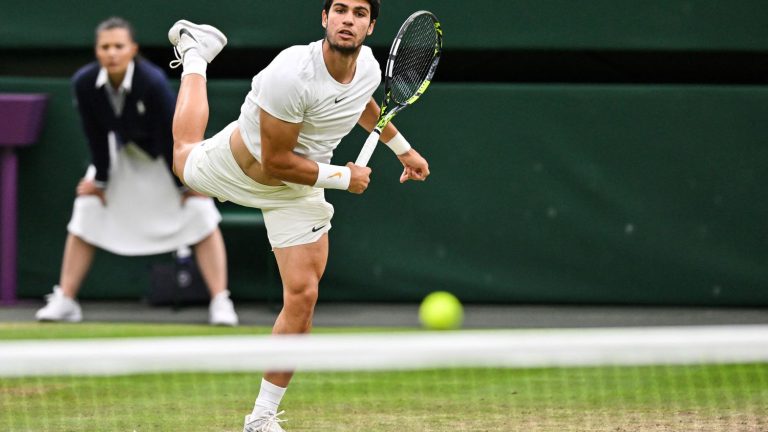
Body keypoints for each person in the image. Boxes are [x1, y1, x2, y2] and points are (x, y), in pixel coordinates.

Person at [167, 0, 429, 429]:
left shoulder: (368, 68)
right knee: (182, 158)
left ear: (370, 25)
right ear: (325, 18)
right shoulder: (291, 73)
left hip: (299, 191)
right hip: (240, 168)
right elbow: (274, 161)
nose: (348, 19)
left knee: (303, 297)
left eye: (359, 13)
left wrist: (404, 150)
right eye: (340, 10)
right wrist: (343, 178)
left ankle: (261, 417)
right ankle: (196, 54)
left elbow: (362, 104)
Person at [35, 17, 238, 326]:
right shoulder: (84, 82)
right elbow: (94, 134)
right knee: (86, 207)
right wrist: (100, 179)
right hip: (120, 160)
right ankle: (65, 299)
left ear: (132, 49)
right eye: (105, 47)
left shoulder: (152, 81)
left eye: (119, 46)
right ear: (97, 51)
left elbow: (174, 136)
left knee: (201, 214)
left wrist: (186, 183)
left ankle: (221, 301)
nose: (112, 53)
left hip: (164, 161)